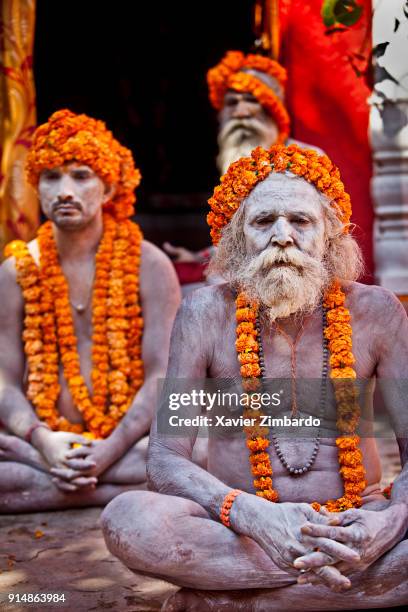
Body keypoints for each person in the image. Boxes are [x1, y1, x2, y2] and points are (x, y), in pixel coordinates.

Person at [102, 144, 408, 610]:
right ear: (237, 238)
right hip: (242, 526)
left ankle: (241, 601)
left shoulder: (378, 312)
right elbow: (165, 458)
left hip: (356, 522)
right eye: (263, 221)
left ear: (329, 234)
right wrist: (252, 514)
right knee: (129, 520)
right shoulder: (204, 313)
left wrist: (389, 522)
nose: (282, 236)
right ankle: (352, 592)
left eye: (301, 221)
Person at [0, 109, 181, 513]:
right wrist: (43, 441)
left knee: (203, 448)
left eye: (81, 175)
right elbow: (4, 381)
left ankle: (60, 485)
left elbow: (162, 375)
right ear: (36, 186)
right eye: (51, 176)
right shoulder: (16, 270)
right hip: (50, 438)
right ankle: (99, 483)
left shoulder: (149, 265)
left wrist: (110, 450)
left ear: (110, 188)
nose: (65, 190)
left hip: (132, 440)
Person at [164, 50, 322, 285]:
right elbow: (241, 236)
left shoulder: (307, 160)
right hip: (235, 278)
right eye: (232, 103)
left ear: (272, 109)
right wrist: (199, 258)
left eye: (250, 100)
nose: (241, 111)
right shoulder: (231, 162)